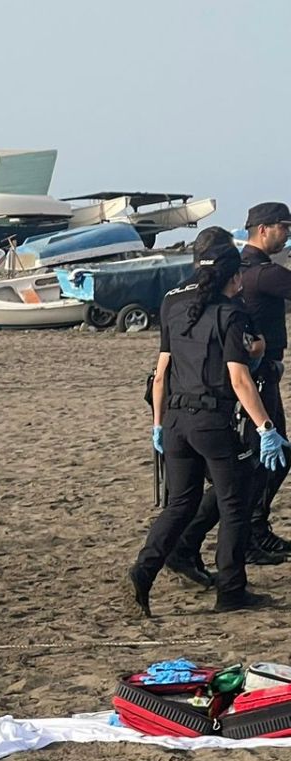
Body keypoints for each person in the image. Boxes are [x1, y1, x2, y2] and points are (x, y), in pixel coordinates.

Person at [127, 242, 288, 615]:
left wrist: (157, 426)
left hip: (175, 420)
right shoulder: (231, 314)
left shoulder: (177, 308)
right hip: (212, 420)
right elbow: (239, 380)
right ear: (234, 278)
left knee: (179, 505)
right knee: (235, 502)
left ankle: (143, 571)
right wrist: (265, 427)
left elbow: (161, 373)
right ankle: (231, 591)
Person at [170, 207, 291, 581]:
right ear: (264, 229)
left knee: (247, 470)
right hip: (246, 379)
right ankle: (229, 538)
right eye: (284, 228)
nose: (287, 234)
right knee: (251, 469)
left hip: (227, 382)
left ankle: (240, 533)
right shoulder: (262, 274)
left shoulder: (238, 277)